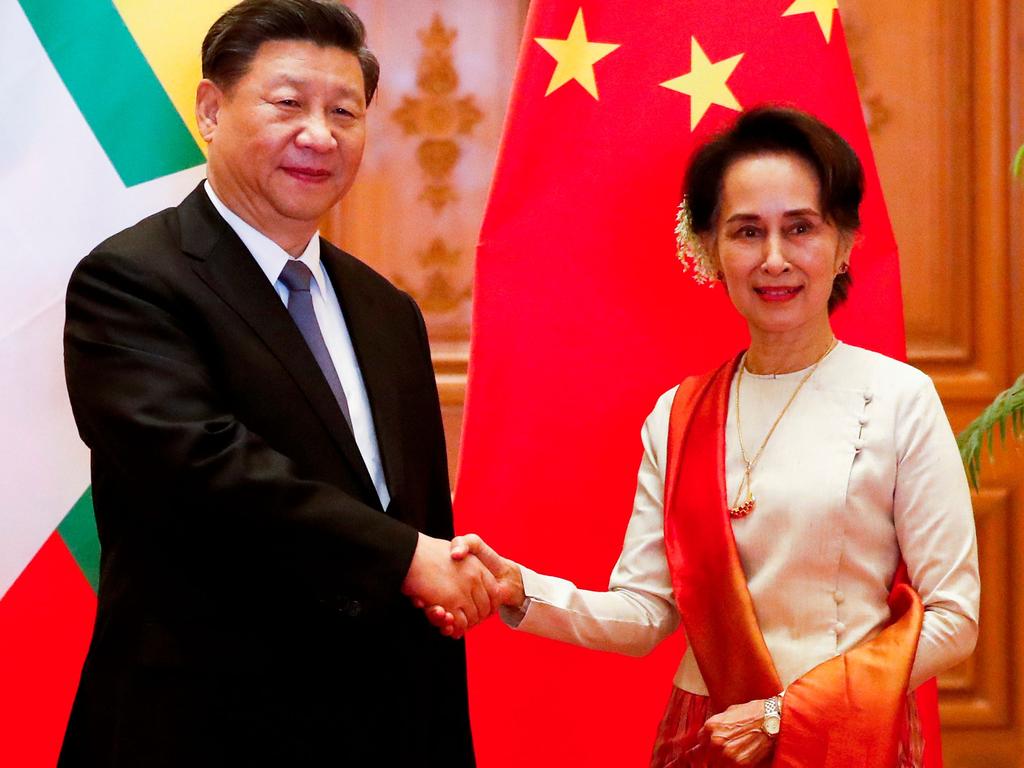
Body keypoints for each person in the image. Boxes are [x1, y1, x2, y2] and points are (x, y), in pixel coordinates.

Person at [429, 107, 980, 767]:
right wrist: (523, 588)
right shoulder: (680, 413)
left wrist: (785, 714)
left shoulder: (899, 400)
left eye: (799, 228)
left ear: (844, 243)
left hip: (843, 739)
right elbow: (645, 616)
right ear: (711, 249)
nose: (774, 259)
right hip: (708, 735)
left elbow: (955, 619)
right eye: (748, 231)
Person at [59, 1, 498, 765]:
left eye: (344, 111)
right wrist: (403, 557)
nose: (319, 135)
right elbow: (205, 469)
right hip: (202, 726)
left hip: (379, 724)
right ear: (210, 109)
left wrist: (428, 579)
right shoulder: (130, 282)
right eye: (288, 103)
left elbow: (416, 513)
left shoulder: (387, 310)